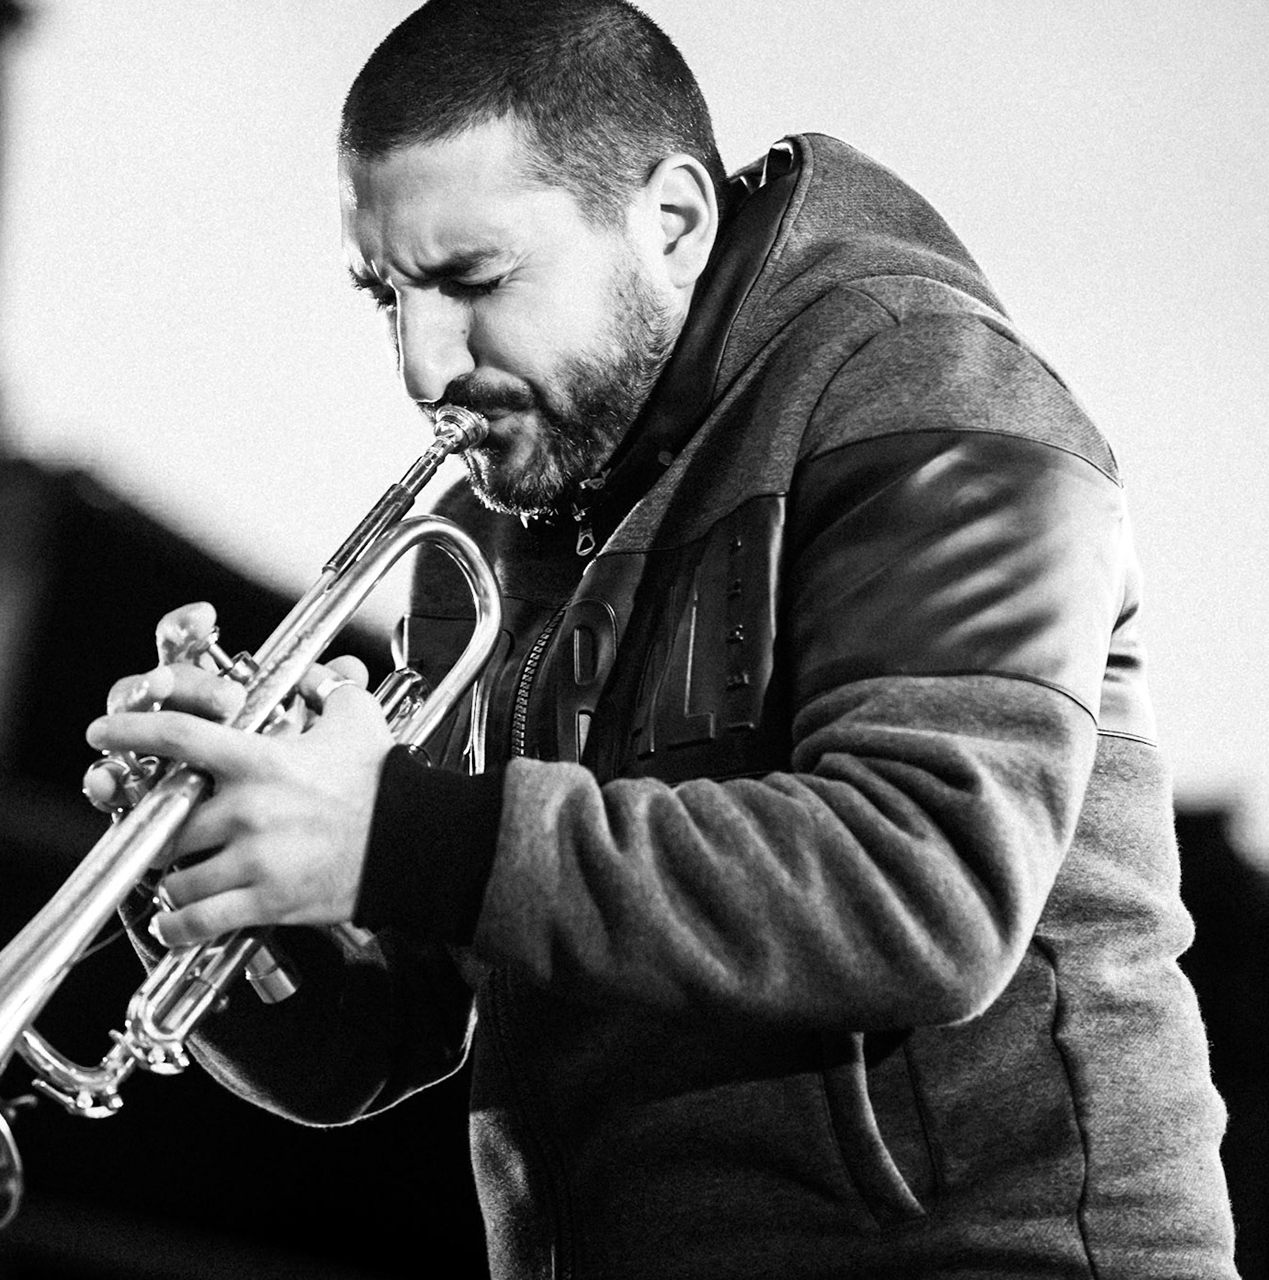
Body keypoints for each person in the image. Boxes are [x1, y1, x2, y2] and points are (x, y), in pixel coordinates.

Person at [81, 2, 1239, 1276]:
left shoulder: (930, 389)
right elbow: (377, 1038)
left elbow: (930, 886)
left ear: (674, 221)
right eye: (388, 295)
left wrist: (401, 831)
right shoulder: (498, 508)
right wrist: (219, 864)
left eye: (473, 280)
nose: (422, 365)